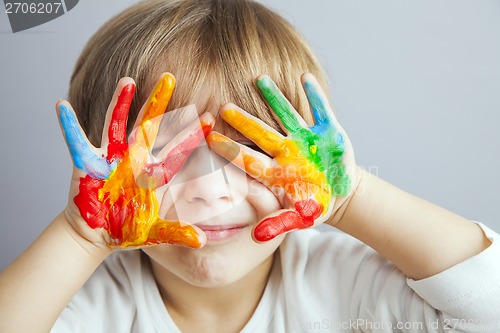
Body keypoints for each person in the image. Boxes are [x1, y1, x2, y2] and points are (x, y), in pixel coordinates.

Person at [1, 0, 499, 332]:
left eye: (251, 154)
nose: (210, 192)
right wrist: (79, 237)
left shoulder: (345, 284)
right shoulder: (84, 305)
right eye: (164, 154)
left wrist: (352, 199)